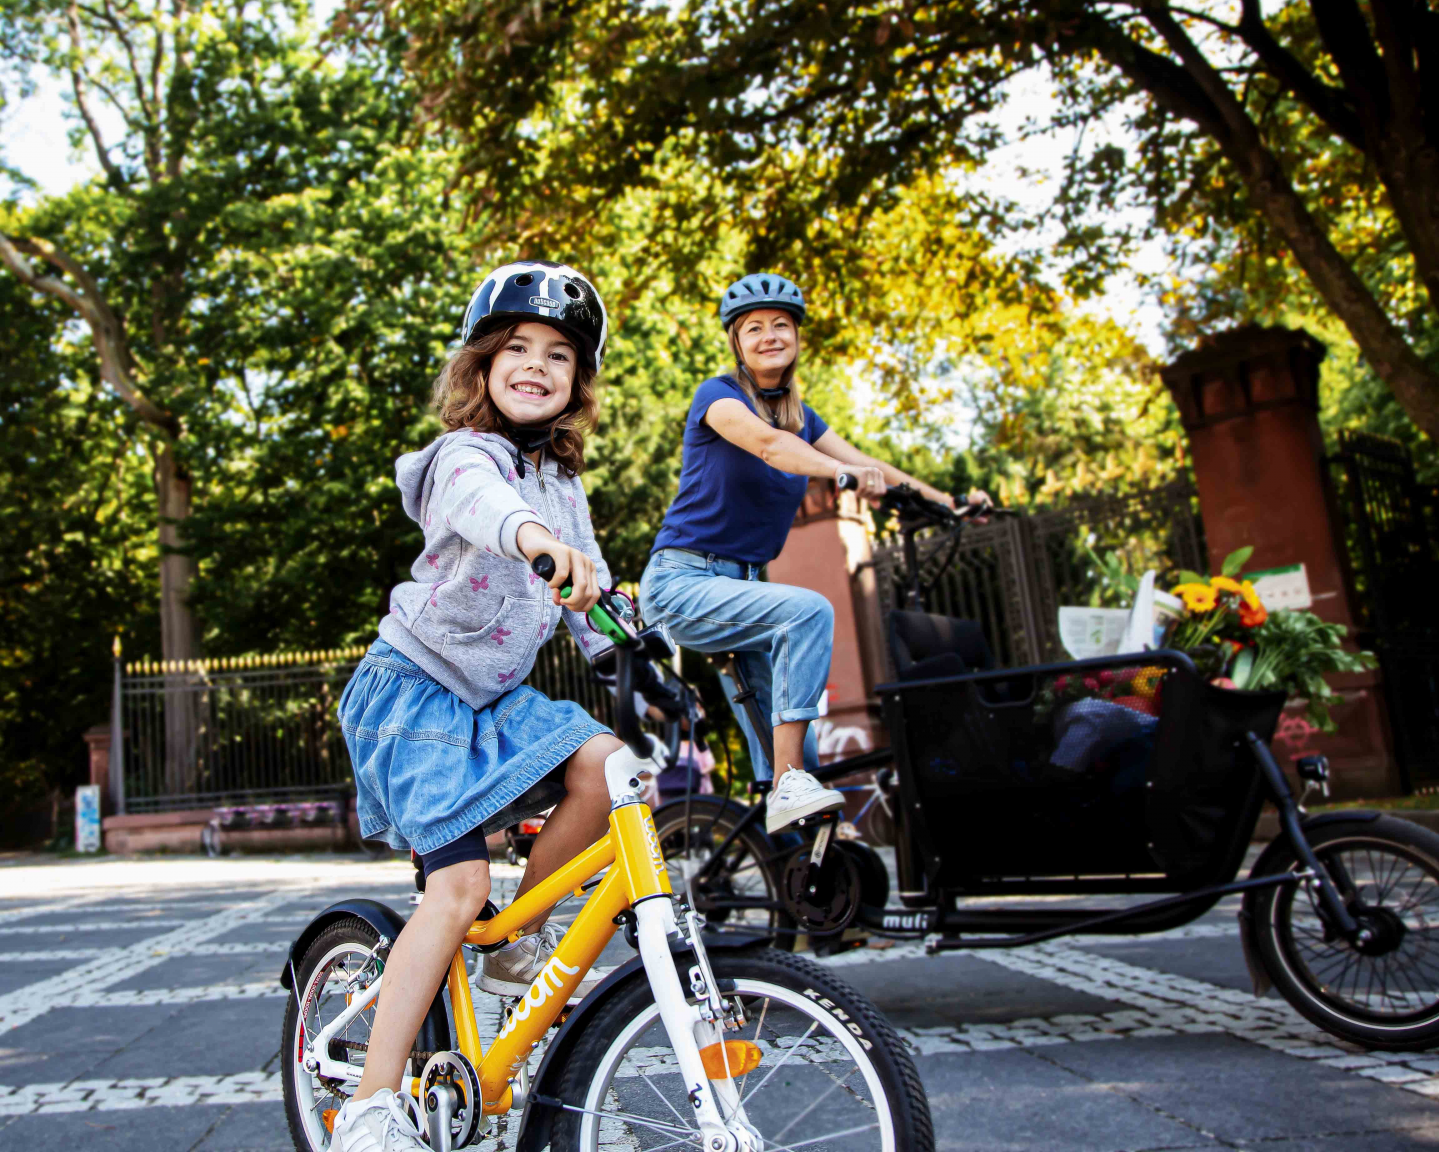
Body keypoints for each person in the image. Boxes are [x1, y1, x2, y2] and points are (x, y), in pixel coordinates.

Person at [329, 262, 633, 1152]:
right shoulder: (465, 457)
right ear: (484, 365)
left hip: (494, 704)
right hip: (413, 697)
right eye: (518, 349)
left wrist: (630, 650)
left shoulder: (564, 487)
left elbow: (595, 594)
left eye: (560, 356)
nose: (538, 366)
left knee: (611, 764)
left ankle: (516, 947)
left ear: (577, 382)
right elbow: (485, 505)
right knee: (457, 886)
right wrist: (533, 538)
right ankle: (373, 1105)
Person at [639, 271, 990, 833]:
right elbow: (769, 446)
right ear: (737, 343)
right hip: (682, 584)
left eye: (781, 324)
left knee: (797, 746)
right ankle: (787, 791)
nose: (769, 335)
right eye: (753, 328)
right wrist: (842, 474)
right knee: (807, 610)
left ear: (797, 338)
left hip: (742, 592)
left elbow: (874, 466)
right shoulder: (718, 396)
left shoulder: (803, 419)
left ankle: (810, 855)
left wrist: (947, 502)